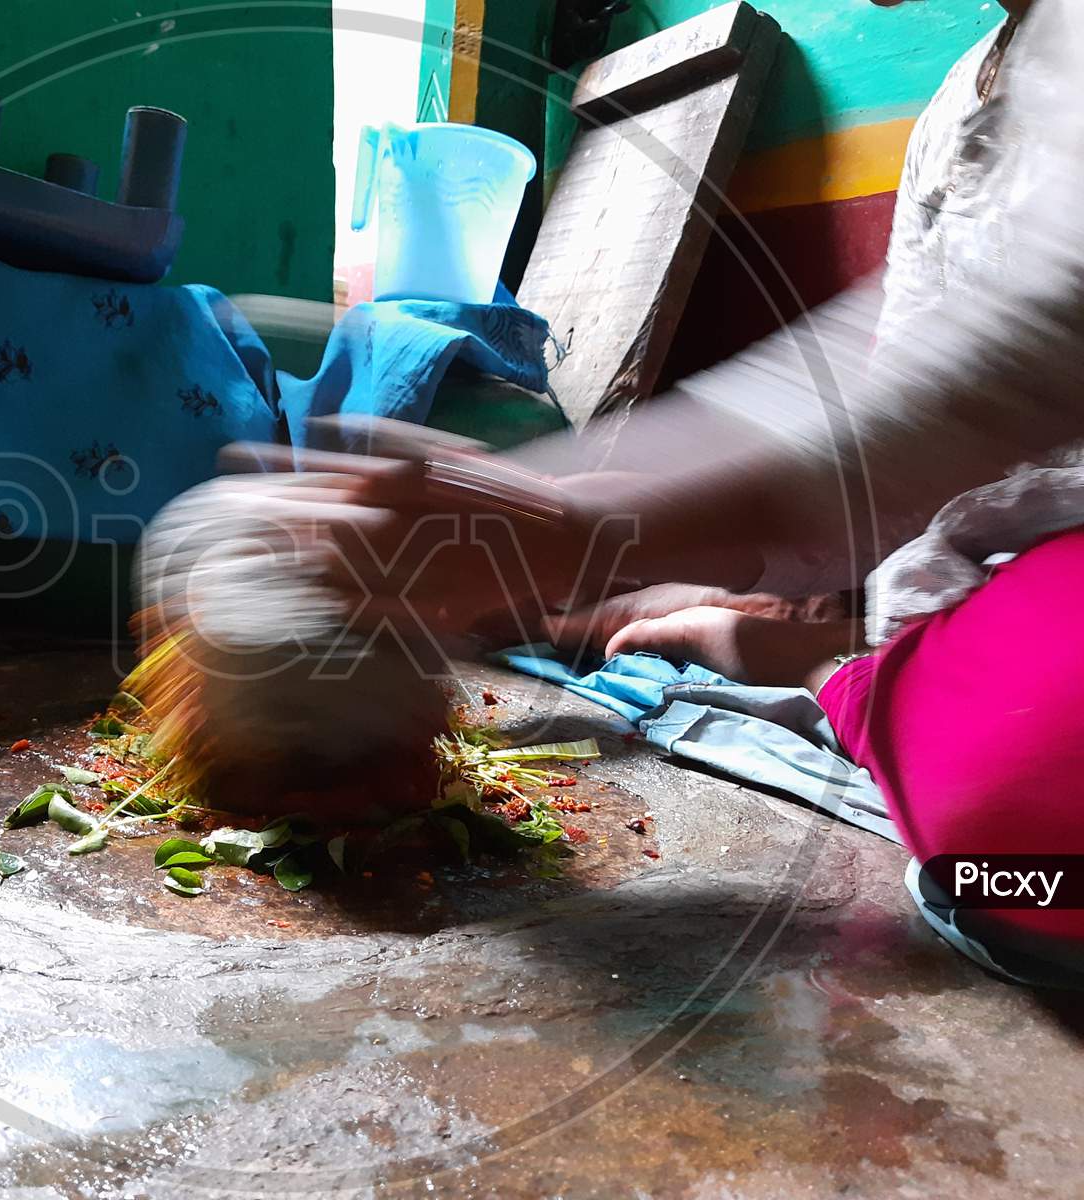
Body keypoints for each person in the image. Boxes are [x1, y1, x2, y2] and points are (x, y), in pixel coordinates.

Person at [206, 0, 1084, 981]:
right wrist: (553, 518)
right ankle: (841, 658)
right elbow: (901, 444)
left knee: (1029, 833)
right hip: (985, 594)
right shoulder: (966, 97)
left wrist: (571, 525)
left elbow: (1017, 365)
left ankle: (833, 669)